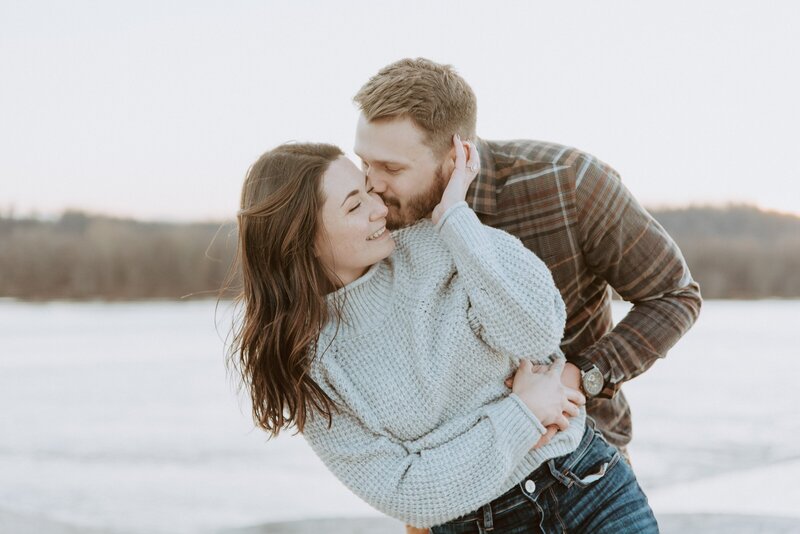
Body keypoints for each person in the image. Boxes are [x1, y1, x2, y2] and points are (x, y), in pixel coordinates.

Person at [229, 140, 659, 532]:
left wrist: (455, 216)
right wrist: (522, 413)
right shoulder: (308, 364)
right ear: (302, 241)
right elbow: (412, 494)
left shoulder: (440, 241)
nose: (379, 208)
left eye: (368, 189)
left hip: (589, 484)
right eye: (354, 206)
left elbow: (538, 334)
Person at [352, 57, 701, 534]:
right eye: (363, 162)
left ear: (456, 156)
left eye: (390, 167)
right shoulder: (373, 221)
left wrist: (578, 379)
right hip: (457, 496)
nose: (371, 184)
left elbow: (674, 293)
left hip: (584, 470)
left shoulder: (567, 184)